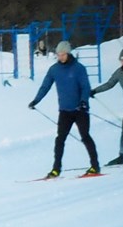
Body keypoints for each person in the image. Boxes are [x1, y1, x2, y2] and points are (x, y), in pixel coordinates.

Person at [29, 40, 99, 178]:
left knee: (85, 136)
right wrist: (36, 100)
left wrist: (84, 101)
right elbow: (45, 86)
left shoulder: (79, 68)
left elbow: (85, 87)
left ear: (68, 53)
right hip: (65, 111)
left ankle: (95, 166)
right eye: (58, 54)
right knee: (60, 139)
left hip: (80, 110)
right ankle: (56, 169)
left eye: (62, 54)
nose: (60, 57)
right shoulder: (54, 70)